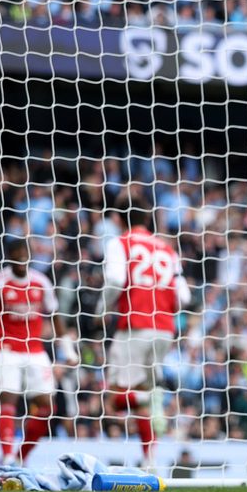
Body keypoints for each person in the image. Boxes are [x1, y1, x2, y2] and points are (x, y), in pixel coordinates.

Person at [101, 195, 191, 468]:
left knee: (116, 395)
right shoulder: (167, 249)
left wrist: (101, 308)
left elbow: (116, 279)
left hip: (134, 325)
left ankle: (151, 415)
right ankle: (150, 457)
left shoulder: (120, 243)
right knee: (144, 387)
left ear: (117, 219)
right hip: (164, 329)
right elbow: (184, 297)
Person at [0, 238, 75, 465]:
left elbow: (56, 319)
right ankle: (8, 455)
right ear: (9, 256)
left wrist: (68, 351)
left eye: (24, 252)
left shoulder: (42, 282)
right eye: (16, 252)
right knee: (8, 397)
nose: (21, 256)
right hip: (6, 350)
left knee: (48, 407)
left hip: (35, 351)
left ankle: (21, 458)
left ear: (30, 255)